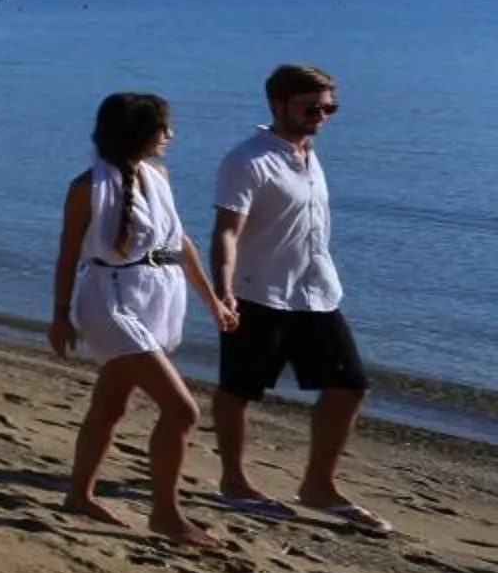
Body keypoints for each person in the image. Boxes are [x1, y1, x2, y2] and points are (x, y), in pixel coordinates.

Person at [206, 63, 388, 534]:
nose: (322, 115)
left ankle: (318, 486)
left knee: (350, 385)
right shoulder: (248, 160)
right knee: (239, 390)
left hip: (317, 292)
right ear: (277, 103)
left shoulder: (307, 154)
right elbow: (227, 229)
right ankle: (235, 481)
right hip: (257, 292)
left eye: (330, 108)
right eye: (312, 107)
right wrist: (221, 288)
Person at [50, 91, 236, 547]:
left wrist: (212, 300)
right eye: (162, 127)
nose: (169, 135)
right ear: (138, 132)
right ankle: (166, 515)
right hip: (110, 301)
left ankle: (79, 494)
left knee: (111, 405)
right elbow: (68, 253)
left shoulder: (158, 175)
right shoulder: (85, 186)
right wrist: (58, 315)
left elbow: (179, 241)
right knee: (182, 410)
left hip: (156, 295)